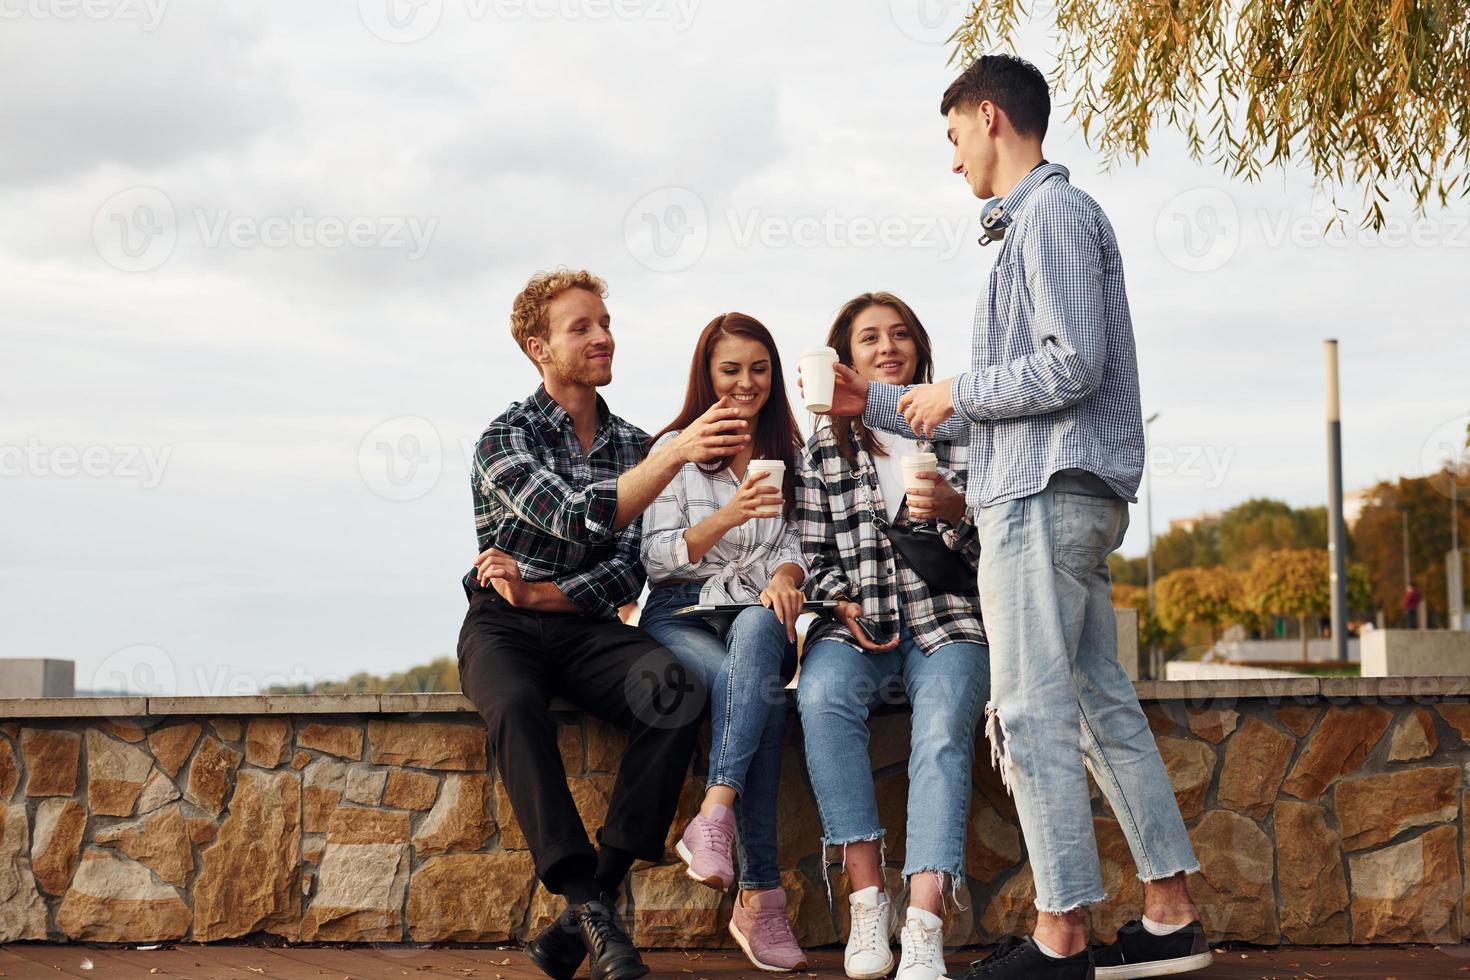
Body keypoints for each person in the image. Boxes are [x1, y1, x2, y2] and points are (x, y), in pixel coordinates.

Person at [815, 57, 1211, 980]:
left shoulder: (1052, 217)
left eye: (953, 138)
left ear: (989, 118)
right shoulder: (1039, 226)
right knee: (1097, 710)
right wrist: (869, 402)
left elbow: (1068, 365)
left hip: (1042, 497)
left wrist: (950, 388)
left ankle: (1061, 935)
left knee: (1030, 714)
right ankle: (1169, 914)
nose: (953, 162)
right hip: (1056, 492)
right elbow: (987, 399)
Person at [456, 268, 750, 980]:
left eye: (604, 323)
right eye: (580, 327)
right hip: (501, 628)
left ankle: (592, 905)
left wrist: (543, 592)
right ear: (537, 346)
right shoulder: (505, 439)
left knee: (677, 689)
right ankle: (585, 899)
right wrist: (673, 456)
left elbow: (628, 570)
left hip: (579, 624)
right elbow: (575, 514)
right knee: (517, 706)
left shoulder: (635, 443)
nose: (601, 337)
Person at [795, 292, 989, 980]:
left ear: (919, 348)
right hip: (860, 627)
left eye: (900, 334)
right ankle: (868, 905)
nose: (887, 347)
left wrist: (959, 511)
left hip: (949, 623)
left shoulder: (961, 428)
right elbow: (814, 554)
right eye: (870, 338)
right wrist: (839, 603)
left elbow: (997, 545)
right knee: (820, 701)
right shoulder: (824, 443)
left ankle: (926, 922)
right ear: (844, 361)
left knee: (941, 733)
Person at [638, 312, 810, 972]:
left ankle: (715, 815)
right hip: (682, 616)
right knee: (756, 696)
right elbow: (655, 561)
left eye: (759, 369)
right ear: (707, 374)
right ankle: (760, 895)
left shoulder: (790, 453)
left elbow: (801, 550)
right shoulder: (675, 447)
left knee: (759, 635)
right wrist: (727, 516)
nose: (746, 382)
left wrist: (791, 577)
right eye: (731, 369)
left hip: (759, 616)